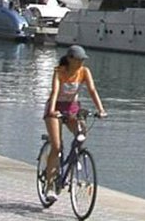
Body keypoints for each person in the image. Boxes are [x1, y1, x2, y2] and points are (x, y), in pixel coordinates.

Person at [43, 44, 105, 194]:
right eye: (78, 60)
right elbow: (55, 91)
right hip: (55, 107)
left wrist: (101, 109)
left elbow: (92, 90)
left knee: (81, 134)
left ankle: (70, 164)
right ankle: (50, 184)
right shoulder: (59, 71)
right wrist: (52, 110)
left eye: (83, 60)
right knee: (57, 146)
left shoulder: (84, 71)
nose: (81, 63)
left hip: (71, 108)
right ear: (70, 59)